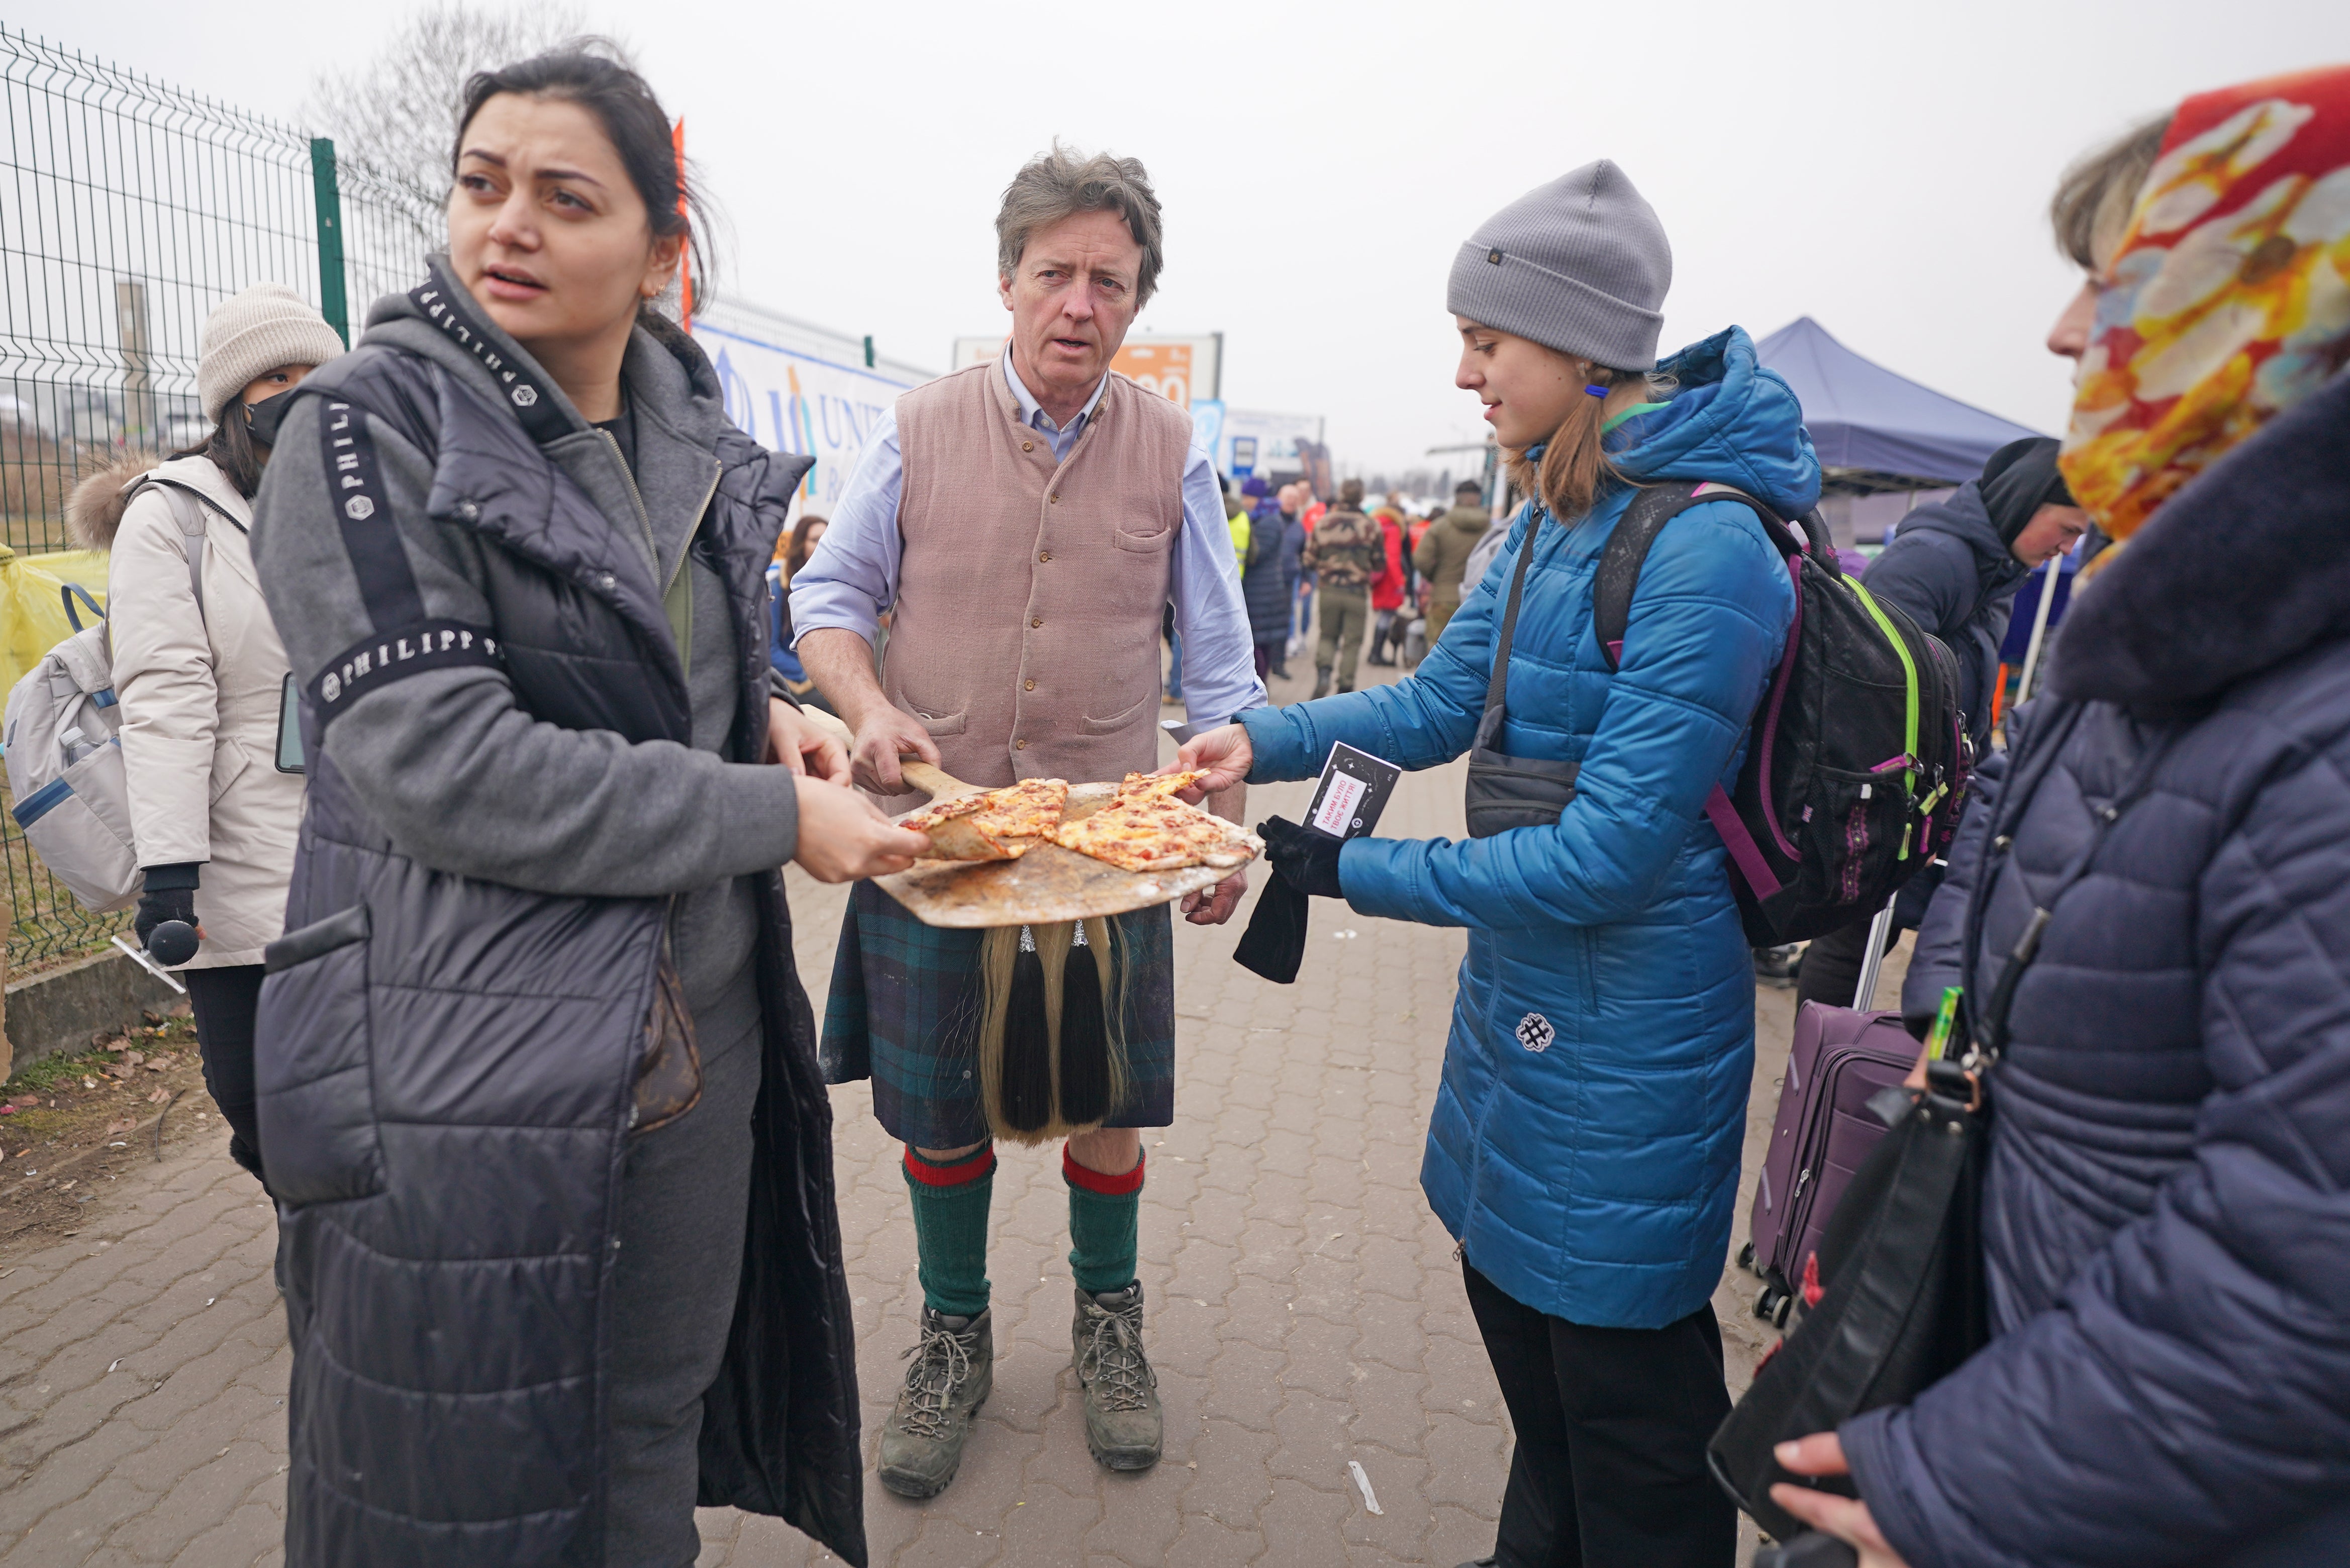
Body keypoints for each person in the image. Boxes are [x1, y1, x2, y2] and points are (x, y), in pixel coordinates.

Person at [248, 47, 915, 1564]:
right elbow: (445, 763)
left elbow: (636, 674)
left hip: (701, 1034)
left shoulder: (680, 434)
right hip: (469, 1062)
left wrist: (767, 719)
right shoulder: (365, 434)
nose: (508, 226)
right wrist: (766, 814)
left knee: (645, 1426)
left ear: (661, 252)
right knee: (468, 1477)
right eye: (481, 186)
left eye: (564, 196)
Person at [1180, 159, 1811, 1568]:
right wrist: (1248, 739)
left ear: (1587, 347)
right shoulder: (1541, 517)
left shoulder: (1706, 548)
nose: (1463, 372)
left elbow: (1601, 860)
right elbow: (1427, 710)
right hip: (1524, 1001)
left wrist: (1355, 876)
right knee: (1529, 1348)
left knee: (1629, 1410)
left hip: (1635, 1025)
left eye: (1486, 340)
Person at [1772, 67, 2350, 1567]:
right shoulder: (2164, 603)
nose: (2052, 333)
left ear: (2266, 312)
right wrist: (1938, 1051)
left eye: (2113, 279)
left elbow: (2302, 1269)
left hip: (2129, 1480)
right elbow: (1992, 854)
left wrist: (1959, 1480)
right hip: (2036, 1358)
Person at [789, 143, 1265, 1501]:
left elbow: (1221, 667)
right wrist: (869, 708)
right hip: (934, 847)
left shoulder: (1172, 451)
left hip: (1108, 848)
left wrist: (1220, 818)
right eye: (1053, 272)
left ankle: (1107, 1331)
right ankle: (954, 1335)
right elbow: (827, 603)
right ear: (1006, 283)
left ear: (1134, 304)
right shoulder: (919, 426)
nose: (1078, 301)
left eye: (1107, 281)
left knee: (1107, 1105)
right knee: (941, 1106)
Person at [63, 283, 341, 1189]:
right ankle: (308, 1215)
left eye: (315, 374)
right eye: (273, 377)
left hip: (363, 843)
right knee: (254, 1095)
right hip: (235, 860)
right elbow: (165, 700)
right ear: (231, 404)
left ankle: (356, 1255)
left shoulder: (361, 505)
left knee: (368, 1091)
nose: (297, 393)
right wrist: (172, 873)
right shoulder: (173, 518)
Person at [1791, 437, 2086, 1012]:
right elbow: (1863, 672)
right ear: (2024, 502)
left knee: (1884, 935)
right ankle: (1815, 1069)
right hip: (1885, 789)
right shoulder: (1934, 558)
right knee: (1853, 939)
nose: (2067, 546)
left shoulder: (1997, 575)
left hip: (1930, 793)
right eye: (2066, 528)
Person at [1300, 476, 1381, 696]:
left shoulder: (1324, 523)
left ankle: (1324, 675)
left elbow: (1308, 559)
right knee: (1353, 642)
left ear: (1342, 494)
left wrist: (1325, 566)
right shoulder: (1371, 526)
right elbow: (1380, 562)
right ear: (1362, 497)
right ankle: (1345, 687)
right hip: (1356, 593)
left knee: (1328, 636)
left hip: (1329, 590)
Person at [1414, 477, 1494, 642]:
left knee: (1436, 652)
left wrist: (1435, 578)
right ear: (1479, 498)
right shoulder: (1492, 529)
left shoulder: (1440, 526)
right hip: (1478, 601)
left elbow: (1421, 559)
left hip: (1444, 598)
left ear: (1457, 497)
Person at [1240, 476, 1292, 680]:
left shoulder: (1268, 521)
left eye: (1248, 497)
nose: (1245, 501)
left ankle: (1260, 686)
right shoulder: (1266, 517)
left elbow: (1257, 555)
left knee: (1258, 644)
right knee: (1262, 643)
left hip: (1262, 592)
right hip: (1265, 591)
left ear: (1259, 498)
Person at [1365, 494, 1408, 666]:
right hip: (1390, 579)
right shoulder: (1393, 529)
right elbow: (1393, 558)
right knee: (1386, 615)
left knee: (1384, 615)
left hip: (1379, 577)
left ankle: (1374, 653)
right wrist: (1400, 582)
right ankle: (1376, 654)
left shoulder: (1376, 526)